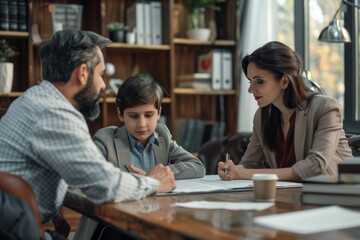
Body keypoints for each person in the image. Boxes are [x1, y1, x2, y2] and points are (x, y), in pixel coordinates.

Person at [0, 30, 176, 239]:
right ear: (82, 73)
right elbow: (105, 186)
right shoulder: (54, 113)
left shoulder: (30, 100)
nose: (103, 85)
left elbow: (82, 175)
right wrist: (154, 182)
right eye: (101, 74)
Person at [218, 41, 352, 181]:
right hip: (288, 194)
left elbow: (315, 166)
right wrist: (232, 170)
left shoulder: (326, 108)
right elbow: (249, 165)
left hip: (335, 195)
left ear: (284, 82)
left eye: (259, 81)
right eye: (250, 81)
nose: (251, 89)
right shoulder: (262, 116)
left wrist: (241, 173)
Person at [93, 74, 206, 179]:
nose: (142, 124)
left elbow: (197, 167)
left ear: (159, 113)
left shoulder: (162, 134)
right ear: (120, 114)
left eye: (148, 115)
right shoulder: (105, 140)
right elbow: (91, 176)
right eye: (133, 116)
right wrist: (142, 181)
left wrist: (154, 175)